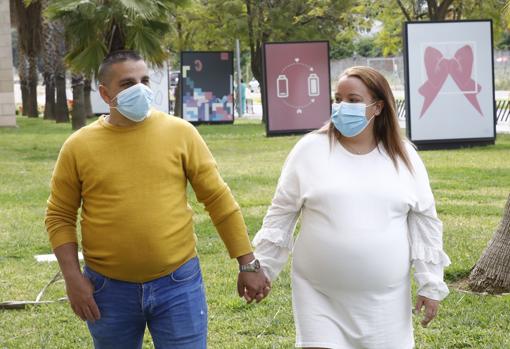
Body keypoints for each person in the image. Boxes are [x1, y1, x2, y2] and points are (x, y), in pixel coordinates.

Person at [45, 50, 270, 349]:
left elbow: (218, 199)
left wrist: (248, 263)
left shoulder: (180, 133)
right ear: (104, 92)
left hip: (178, 285)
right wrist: (73, 279)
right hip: (106, 290)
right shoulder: (79, 146)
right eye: (127, 83)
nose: (140, 89)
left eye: (144, 80)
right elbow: (59, 215)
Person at [253, 66, 450, 349]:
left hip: (386, 304)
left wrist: (430, 284)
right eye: (338, 98)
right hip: (319, 296)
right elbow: (281, 214)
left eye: (354, 100)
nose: (343, 106)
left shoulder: (405, 157)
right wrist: (264, 268)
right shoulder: (309, 150)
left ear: (378, 107)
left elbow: (425, 223)